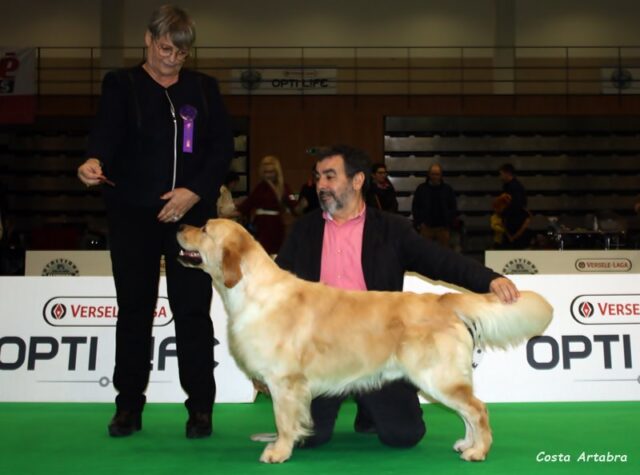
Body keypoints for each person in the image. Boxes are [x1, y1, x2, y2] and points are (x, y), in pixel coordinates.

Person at [275, 145, 519, 449]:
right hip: (321, 355)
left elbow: (440, 260)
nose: (321, 185)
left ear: (357, 180)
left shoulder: (392, 229)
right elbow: (276, 285)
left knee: (404, 436)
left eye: (329, 176)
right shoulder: (304, 230)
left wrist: (489, 279)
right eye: (318, 177)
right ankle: (358, 405)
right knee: (308, 439)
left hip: (382, 348)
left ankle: (369, 405)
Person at [77, 5, 234, 439]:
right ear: (148, 40)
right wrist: (92, 161)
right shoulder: (121, 84)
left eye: (182, 53)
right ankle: (128, 405)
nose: (172, 59)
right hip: (132, 217)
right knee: (133, 311)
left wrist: (193, 193)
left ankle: (200, 408)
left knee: (192, 313)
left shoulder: (204, 89)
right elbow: (104, 136)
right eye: (166, 48)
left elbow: (221, 149)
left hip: (191, 218)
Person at [238, 155, 296, 255]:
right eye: (265, 172)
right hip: (261, 227)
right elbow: (247, 205)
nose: (268, 175)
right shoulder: (260, 188)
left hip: (276, 227)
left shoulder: (284, 187)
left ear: (277, 172)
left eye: (271, 172)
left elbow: (294, 206)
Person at [411, 163, 458, 248]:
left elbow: (453, 207)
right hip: (426, 228)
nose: (435, 177)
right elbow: (415, 207)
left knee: (444, 255)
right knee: (425, 254)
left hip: (443, 229)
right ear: (429, 174)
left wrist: (448, 222)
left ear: (441, 175)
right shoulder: (421, 189)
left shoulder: (447, 189)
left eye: (437, 174)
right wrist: (419, 223)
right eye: (433, 174)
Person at [499, 164, 532, 249]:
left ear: (507, 173)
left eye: (502, 174)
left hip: (516, 224)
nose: (501, 176)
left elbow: (517, 205)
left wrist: (504, 212)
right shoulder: (507, 187)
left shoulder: (516, 187)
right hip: (509, 223)